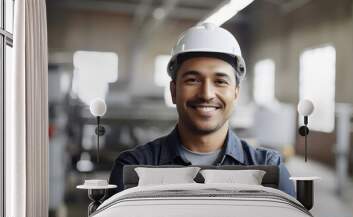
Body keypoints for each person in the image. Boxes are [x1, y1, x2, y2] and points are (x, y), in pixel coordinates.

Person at [109, 23, 295, 197]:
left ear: (236, 93)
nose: (206, 94)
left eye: (220, 81)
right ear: (174, 91)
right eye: (193, 80)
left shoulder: (270, 168)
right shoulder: (133, 166)